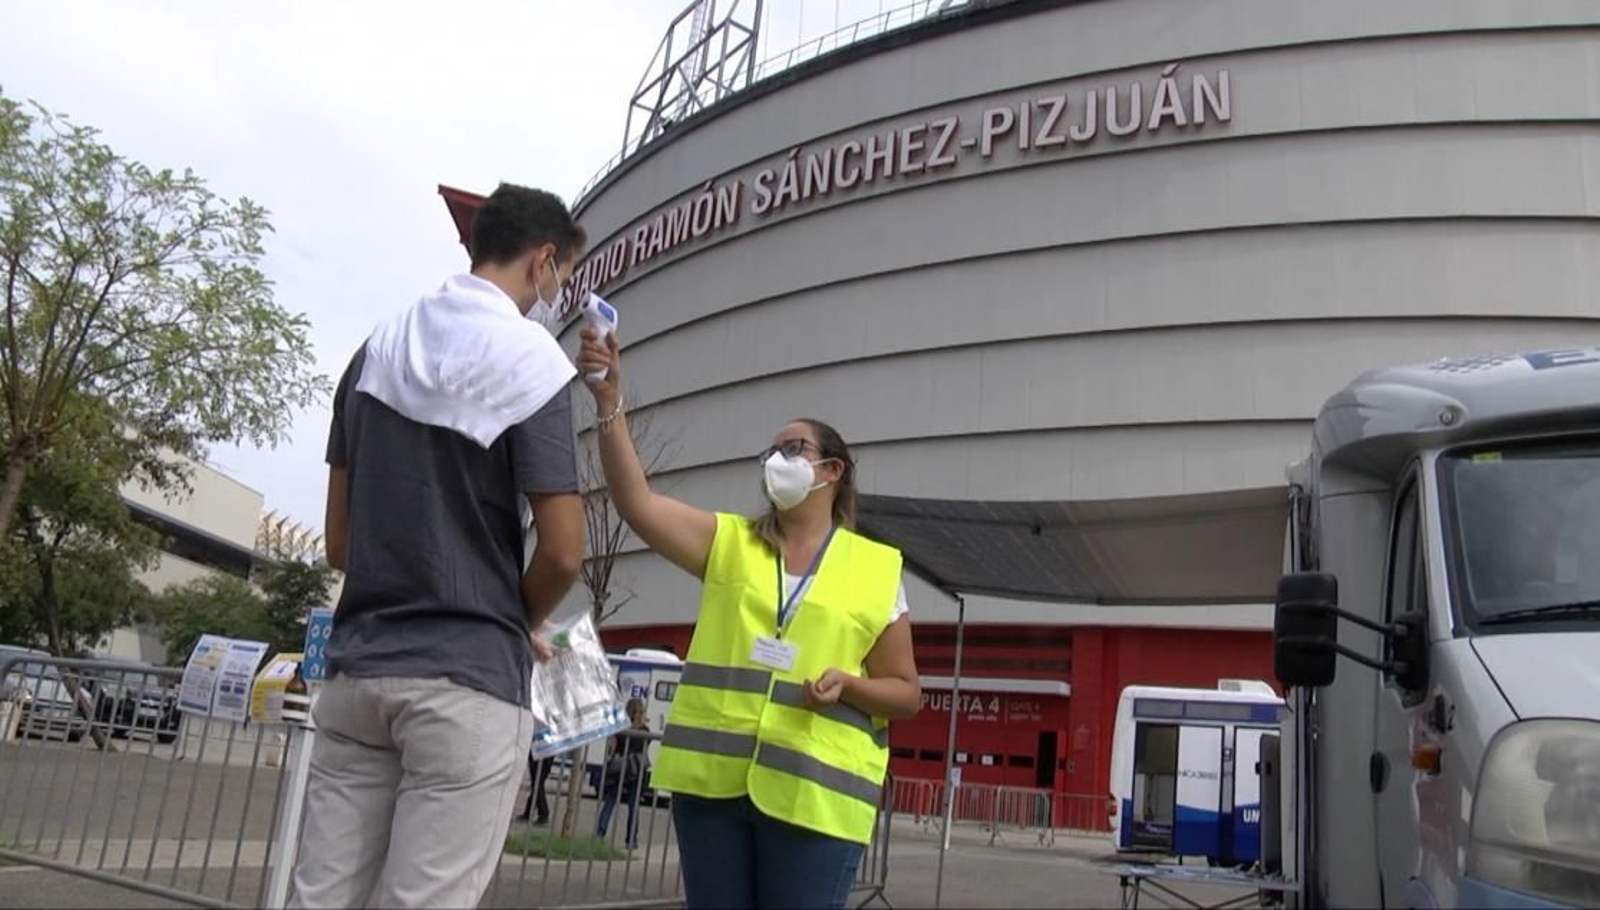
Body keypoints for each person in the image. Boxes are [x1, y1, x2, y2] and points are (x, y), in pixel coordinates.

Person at [292, 184, 589, 909]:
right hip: (467, 682)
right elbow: (562, 554)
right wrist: (513, 614)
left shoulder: (374, 352)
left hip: (360, 674)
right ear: (543, 260)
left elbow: (340, 544)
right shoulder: (534, 362)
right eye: (563, 275)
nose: (558, 292)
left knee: (319, 896)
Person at [575, 329, 921, 910]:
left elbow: (906, 692)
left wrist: (850, 686)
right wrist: (610, 404)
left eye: (793, 450)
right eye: (771, 453)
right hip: (712, 792)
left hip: (816, 802)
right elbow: (636, 502)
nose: (775, 460)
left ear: (832, 471)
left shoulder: (877, 569)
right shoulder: (730, 542)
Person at [596, 698, 651, 849]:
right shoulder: (646, 732)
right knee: (634, 807)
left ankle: (600, 833)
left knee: (610, 802)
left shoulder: (621, 728)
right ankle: (631, 840)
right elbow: (644, 750)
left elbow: (612, 749)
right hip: (635, 771)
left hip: (619, 770)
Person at [519, 752, 554, 825]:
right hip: (547, 752)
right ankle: (529, 812)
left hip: (540, 752)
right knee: (537, 784)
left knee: (537, 784)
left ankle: (543, 814)